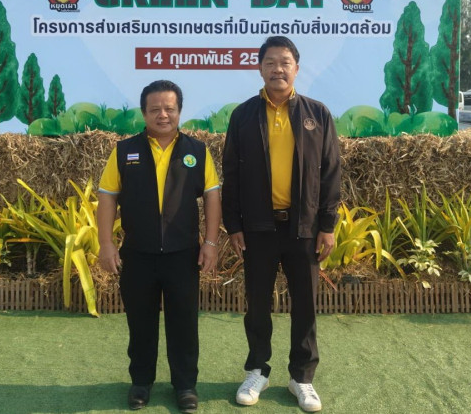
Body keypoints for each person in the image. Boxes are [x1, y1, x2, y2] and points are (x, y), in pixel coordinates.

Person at [221, 36, 340, 413]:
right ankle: (257, 370)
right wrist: (233, 224)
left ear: (297, 69)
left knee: (305, 304)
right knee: (257, 303)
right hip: (258, 228)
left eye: (285, 62)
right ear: (260, 68)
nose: (278, 69)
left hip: (303, 228)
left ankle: (301, 377)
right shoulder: (243, 115)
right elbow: (231, 173)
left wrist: (327, 225)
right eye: (270, 62)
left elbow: (331, 172)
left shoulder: (317, 114)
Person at [97, 79, 221, 412]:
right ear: (144, 113)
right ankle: (141, 382)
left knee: (184, 323)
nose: (162, 115)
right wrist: (106, 243)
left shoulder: (197, 151)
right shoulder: (124, 151)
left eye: (169, 108)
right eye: (155, 109)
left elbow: (212, 197)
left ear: (179, 111)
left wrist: (210, 242)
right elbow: (107, 198)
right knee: (140, 323)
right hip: (138, 254)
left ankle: (185, 386)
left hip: (183, 255)